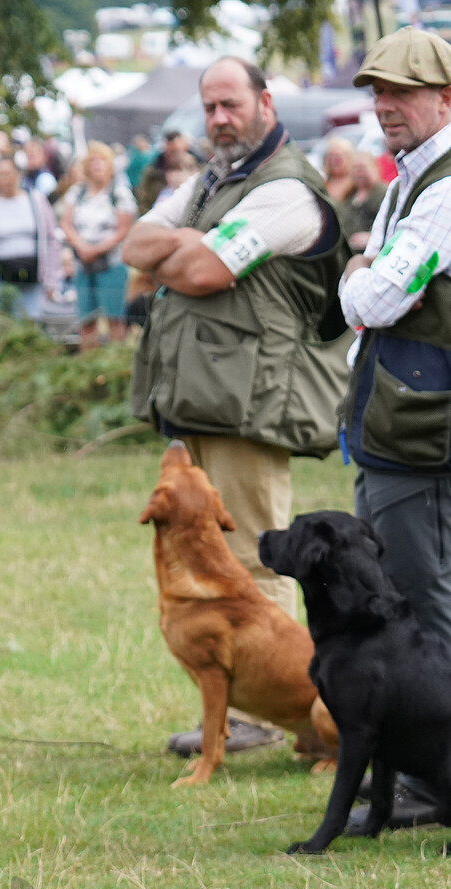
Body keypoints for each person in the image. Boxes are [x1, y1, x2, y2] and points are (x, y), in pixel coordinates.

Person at [124, 55, 349, 762]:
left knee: (256, 556)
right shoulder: (211, 184)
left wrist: (185, 250)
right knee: (223, 559)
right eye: (210, 107)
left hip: (255, 400)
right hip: (206, 394)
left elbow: (201, 271)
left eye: (232, 104)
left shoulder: (286, 193)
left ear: (265, 102)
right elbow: (133, 246)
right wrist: (184, 242)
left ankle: (288, 716)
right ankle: (261, 716)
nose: (219, 119)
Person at [335, 26, 451, 828]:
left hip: (422, 436)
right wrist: (366, 272)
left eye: (402, 91)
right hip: (393, 428)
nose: (385, 106)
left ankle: (442, 785)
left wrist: (357, 272)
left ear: (445, 98)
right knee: (406, 602)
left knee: (425, 607)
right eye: (377, 91)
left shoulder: (444, 191)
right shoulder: (409, 181)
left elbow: (373, 300)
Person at [59, 142, 137, 348]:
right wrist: (81, 246)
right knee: (86, 319)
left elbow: (123, 229)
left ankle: (114, 362)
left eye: (102, 160)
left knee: (114, 317)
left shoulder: (119, 193)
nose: (97, 165)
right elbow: (66, 222)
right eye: (92, 161)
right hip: (83, 265)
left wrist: (95, 249)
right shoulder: (77, 192)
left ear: (110, 165)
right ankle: (89, 362)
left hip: (111, 263)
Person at [0, 157, 63, 320]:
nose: (5, 179)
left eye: (9, 173)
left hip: (33, 276)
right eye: (0, 175)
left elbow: (52, 239)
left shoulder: (37, 201)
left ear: (18, 175)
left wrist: (52, 279)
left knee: (30, 324)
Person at [320, 136, 383, 254]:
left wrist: (371, 236)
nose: (360, 173)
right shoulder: (351, 192)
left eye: (363, 168)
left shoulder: (380, 192)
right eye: (356, 169)